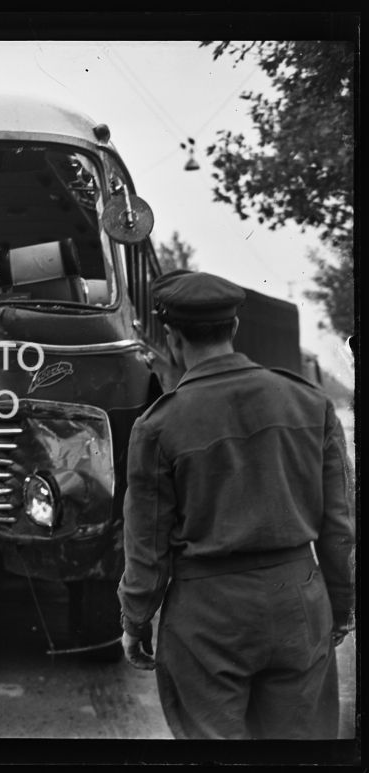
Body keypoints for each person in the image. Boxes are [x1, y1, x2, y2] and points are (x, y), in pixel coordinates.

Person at [117, 270, 355, 740]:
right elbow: (339, 527)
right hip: (297, 601)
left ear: (172, 338)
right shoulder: (310, 404)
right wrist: (341, 606)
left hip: (206, 617)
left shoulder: (158, 426)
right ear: (235, 329)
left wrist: (135, 620)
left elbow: (147, 545)